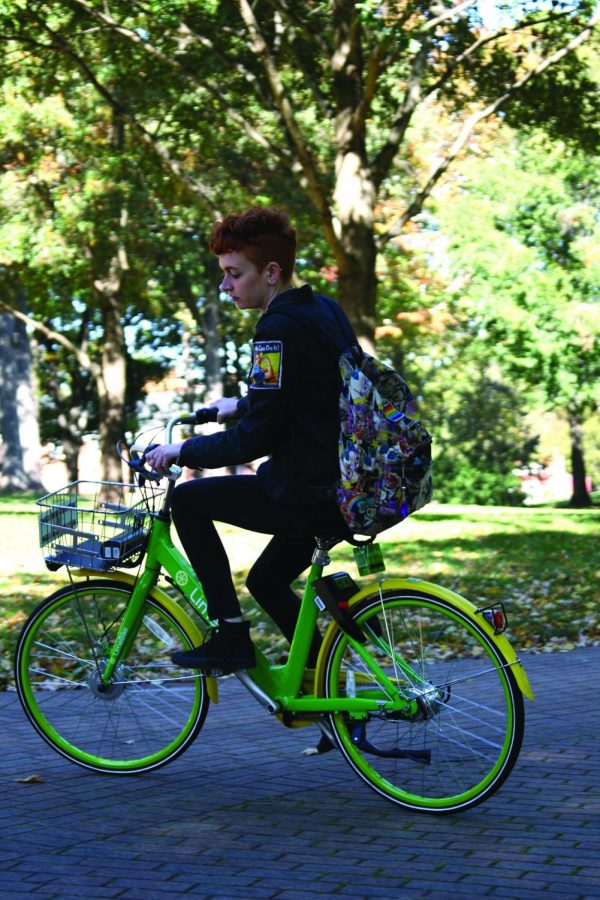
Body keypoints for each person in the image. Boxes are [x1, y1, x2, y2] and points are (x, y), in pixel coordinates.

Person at [145, 207, 356, 673]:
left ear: (271, 272)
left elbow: (253, 441)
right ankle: (321, 682)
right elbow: (312, 394)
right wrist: (240, 404)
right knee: (266, 581)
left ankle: (230, 636)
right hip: (340, 486)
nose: (226, 286)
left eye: (234, 274)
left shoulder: (274, 330)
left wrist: (182, 450)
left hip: (305, 491)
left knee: (190, 502)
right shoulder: (322, 309)